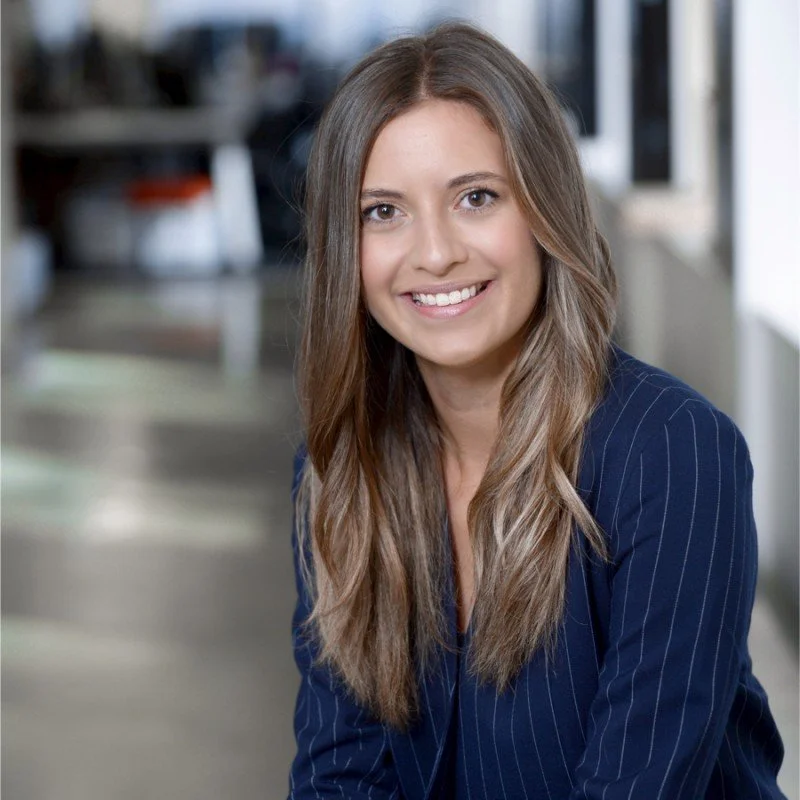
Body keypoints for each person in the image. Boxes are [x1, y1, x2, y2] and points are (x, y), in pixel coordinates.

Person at [287, 21, 786, 800]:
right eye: (382, 212)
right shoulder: (346, 470)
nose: (435, 252)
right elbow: (340, 776)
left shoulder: (672, 454)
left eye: (476, 198)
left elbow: (632, 787)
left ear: (546, 209)